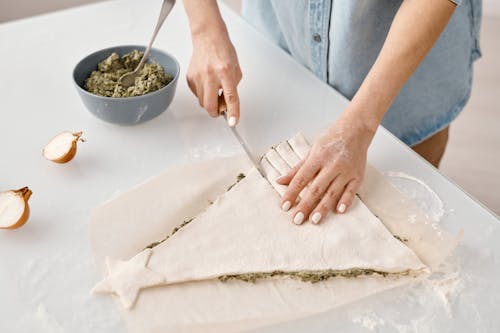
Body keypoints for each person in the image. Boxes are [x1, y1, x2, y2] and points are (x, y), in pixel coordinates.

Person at [182, 0, 482, 225]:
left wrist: (361, 125)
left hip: (403, 83)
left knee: (403, 220)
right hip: (282, 42)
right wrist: (204, 28)